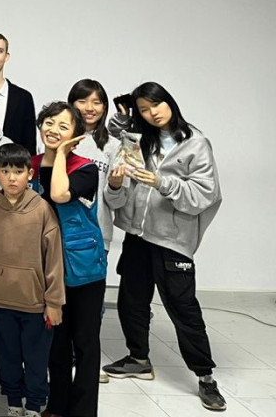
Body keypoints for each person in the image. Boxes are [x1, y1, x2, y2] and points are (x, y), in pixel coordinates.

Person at [103, 83, 225, 411]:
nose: (152, 113)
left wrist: (162, 182)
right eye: (144, 109)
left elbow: (206, 194)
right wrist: (126, 120)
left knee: (183, 308)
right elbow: (115, 142)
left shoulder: (196, 143)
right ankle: (138, 359)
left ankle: (205, 377)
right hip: (138, 235)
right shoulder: (143, 139)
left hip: (172, 240)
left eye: (156, 105)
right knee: (132, 300)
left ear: (169, 102)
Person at [0, 143, 64, 417]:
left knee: (36, 361)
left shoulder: (42, 209)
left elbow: (54, 258)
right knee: (8, 358)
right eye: (5, 171)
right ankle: (14, 404)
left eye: (18, 171)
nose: (12, 178)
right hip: (0, 302)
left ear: (30, 173)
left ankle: (35, 406)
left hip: (36, 304)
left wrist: (54, 302)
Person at [31, 101, 107, 417]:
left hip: (82, 266)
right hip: (45, 266)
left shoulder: (85, 168)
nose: (54, 130)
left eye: (63, 126)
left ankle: (84, 411)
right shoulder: (30, 165)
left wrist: (61, 154)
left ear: (75, 134)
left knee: (85, 342)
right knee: (56, 342)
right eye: (49, 123)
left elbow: (60, 195)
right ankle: (57, 405)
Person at [68, 78, 122, 252]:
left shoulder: (114, 146)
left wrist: (115, 187)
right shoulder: (60, 140)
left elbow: (117, 203)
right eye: (82, 101)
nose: (89, 108)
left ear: (104, 107)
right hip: (58, 231)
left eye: (96, 102)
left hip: (95, 234)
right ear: (71, 104)